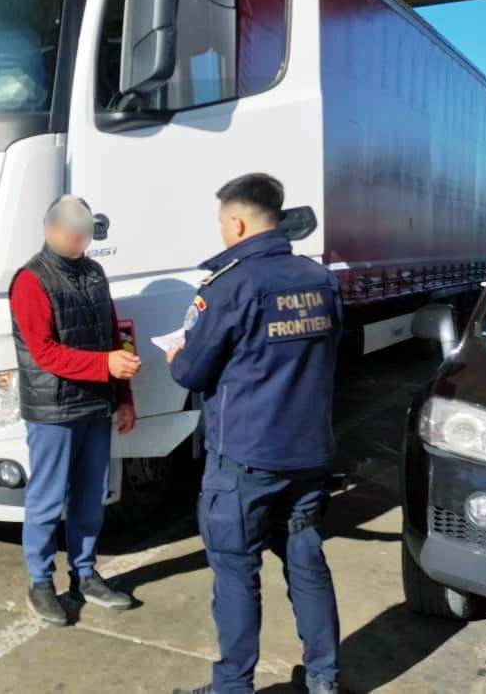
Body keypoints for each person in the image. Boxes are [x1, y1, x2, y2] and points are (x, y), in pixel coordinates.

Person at [167, 174, 342, 694]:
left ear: (238, 223)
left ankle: (233, 686)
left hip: (244, 457)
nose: (222, 231)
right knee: (307, 564)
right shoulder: (320, 279)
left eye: (222, 222)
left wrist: (176, 355)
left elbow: (191, 372)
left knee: (236, 573)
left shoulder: (230, 285)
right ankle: (324, 680)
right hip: (308, 454)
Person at [9, 194, 141, 625]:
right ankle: (40, 582)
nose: (81, 240)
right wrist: (105, 366)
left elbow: (114, 334)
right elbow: (44, 353)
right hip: (54, 409)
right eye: (73, 232)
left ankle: (84, 574)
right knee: (47, 500)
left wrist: (124, 396)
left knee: (91, 496)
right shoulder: (31, 280)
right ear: (50, 228)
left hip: (95, 404)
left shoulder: (93, 272)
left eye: (85, 233)